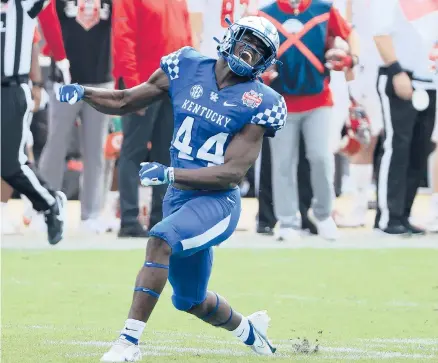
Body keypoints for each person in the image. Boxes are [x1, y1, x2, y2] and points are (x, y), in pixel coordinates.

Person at [58, 16, 286, 361]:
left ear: (267, 62)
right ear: (231, 36)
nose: (250, 51)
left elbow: (231, 174)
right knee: (190, 299)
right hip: (180, 198)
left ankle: (128, 343)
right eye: (248, 41)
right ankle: (251, 331)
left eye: (260, 50)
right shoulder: (187, 65)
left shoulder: (260, 101)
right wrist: (84, 93)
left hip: (217, 203)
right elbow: (123, 101)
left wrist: (169, 174)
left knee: (160, 239)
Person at [257, 0, 359, 241]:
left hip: (319, 99)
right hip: (280, 102)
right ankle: (287, 221)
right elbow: (253, 49)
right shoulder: (265, 15)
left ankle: (324, 216)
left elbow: (351, 34)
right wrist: (259, 70)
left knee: (321, 158)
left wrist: (351, 58)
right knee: (282, 163)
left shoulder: (324, 10)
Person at [112, 0, 192, 238]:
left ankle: (160, 218)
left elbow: (187, 40)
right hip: (144, 84)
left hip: (173, 86)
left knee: (167, 153)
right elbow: (122, 37)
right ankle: (128, 220)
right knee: (132, 151)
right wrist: (134, 86)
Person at [38, 0, 113, 234]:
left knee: (96, 151)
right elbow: (46, 23)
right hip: (64, 80)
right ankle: (46, 207)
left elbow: (124, 28)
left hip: (101, 78)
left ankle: (91, 213)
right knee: (55, 145)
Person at [1, 0, 66, 244]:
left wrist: (37, 84)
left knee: (10, 165)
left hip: (11, 89)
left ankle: (49, 203)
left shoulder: (23, 5)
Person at [372, 0, 437, 235]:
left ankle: (404, 214)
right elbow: (380, 35)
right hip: (400, 77)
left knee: (419, 150)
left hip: (429, 81)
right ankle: (388, 217)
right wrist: (396, 70)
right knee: (397, 147)